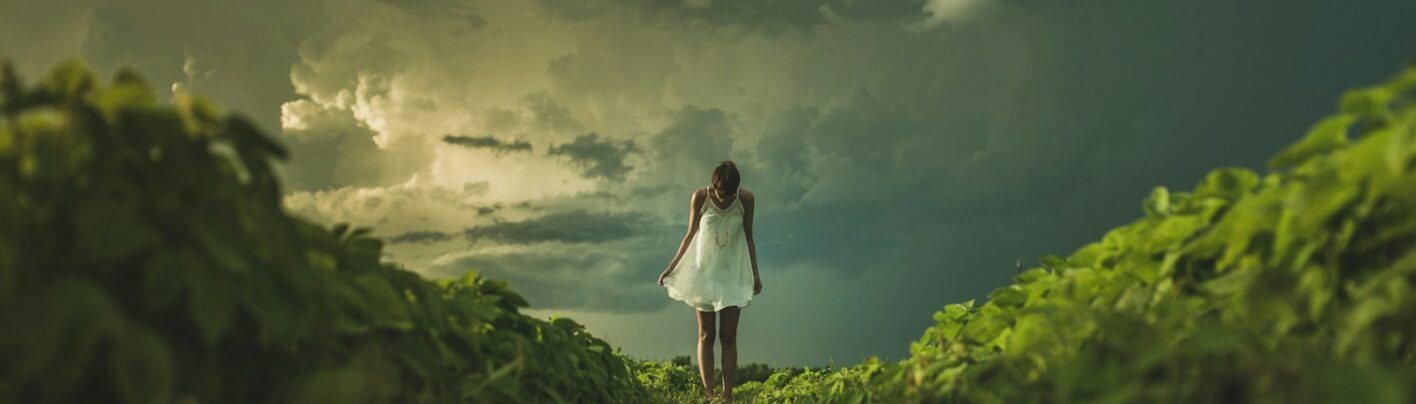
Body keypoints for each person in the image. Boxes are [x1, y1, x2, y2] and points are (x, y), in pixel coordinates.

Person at [657, 160, 763, 403]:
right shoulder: (700, 197)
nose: (724, 196)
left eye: (729, 192)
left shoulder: (746, 199)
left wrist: (755, 274)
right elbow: (689, 234)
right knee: (706, 334)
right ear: (714, 185)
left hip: (732, 275)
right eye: (720, 191)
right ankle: (709, 395)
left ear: (737, 187)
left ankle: (727, 396)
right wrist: (670, 268)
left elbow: (749, 238)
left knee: (729, 336)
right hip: (703, 274)